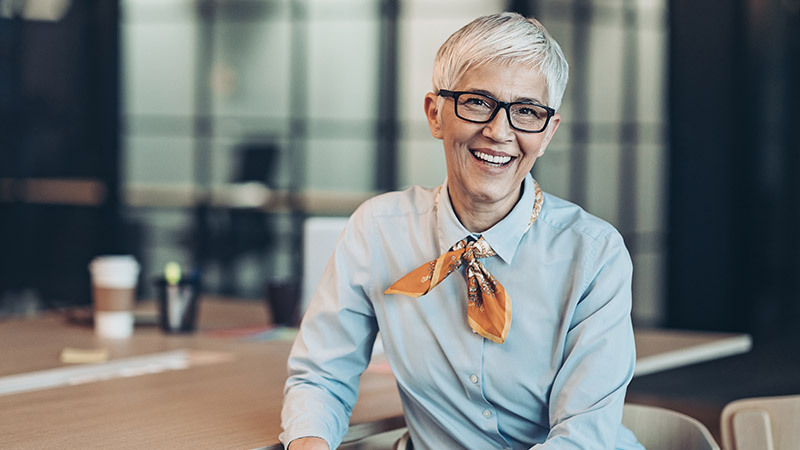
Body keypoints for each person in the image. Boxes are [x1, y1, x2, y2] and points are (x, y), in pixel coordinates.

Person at [280, 12, 643, 450]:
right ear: (436, 113)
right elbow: (320, 376)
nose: (498, 131)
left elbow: (584, 435)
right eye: (476, 102)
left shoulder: (594, 254)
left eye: (526, 112)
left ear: (547, 133)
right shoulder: (378, 231)